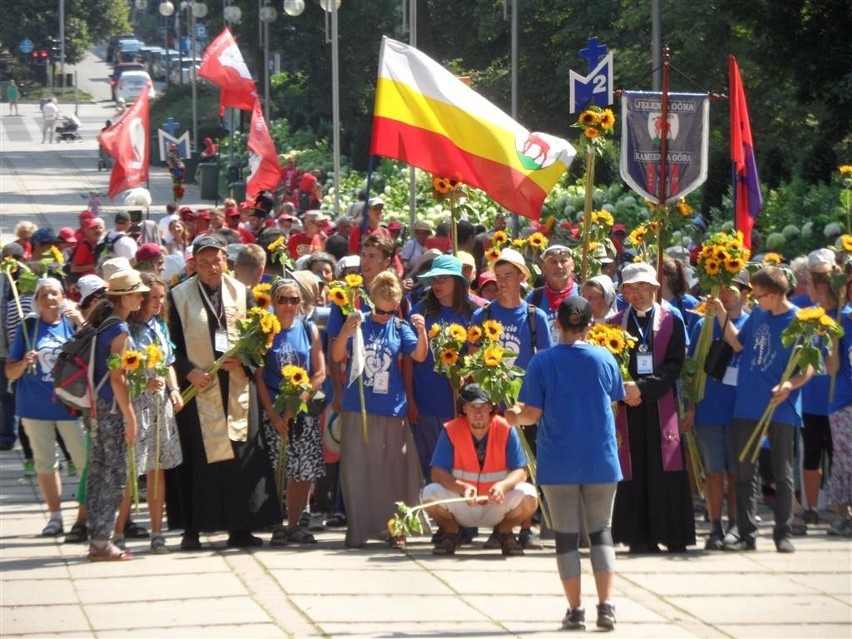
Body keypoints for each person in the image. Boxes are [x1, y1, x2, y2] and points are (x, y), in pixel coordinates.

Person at [507, 297, 628, 631]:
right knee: (601, 532)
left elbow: (531, 415)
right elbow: (616, 396)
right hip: (600, 457)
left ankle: (575, 611)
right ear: (591, 324)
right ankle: (606, 606)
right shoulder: (605, 357)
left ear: (557, 324)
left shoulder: (542, 362)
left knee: (565, 536)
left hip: (558, 458)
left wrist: (514, 416)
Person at [167, 234, 281, 551]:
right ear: (195, 264)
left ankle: (240, 527)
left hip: (236, 387)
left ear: (224, 261)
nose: (210, 267)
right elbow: (169, 344)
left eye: (215, 260)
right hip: (197, 387)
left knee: (239, 460)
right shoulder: (178, 297)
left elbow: (259, 343)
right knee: (196, 461)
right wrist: (188, 369)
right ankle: (192, 528)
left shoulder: (242, 294)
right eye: (203, 262)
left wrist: (243, 360)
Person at [713, 266, 814, 553]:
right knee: (745, 472)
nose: (754, 301)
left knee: (782, 474)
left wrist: (788, 387)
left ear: (773, 295)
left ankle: (783, 533)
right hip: (747, 404)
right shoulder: (758, 314)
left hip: (780, 407)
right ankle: (747, 534)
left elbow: (808, 367)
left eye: (758, 296)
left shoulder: (800, 321)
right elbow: (737, 344)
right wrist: (721, 313)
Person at [331, 270, 428, 548]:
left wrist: (421, 330)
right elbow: (338, 356)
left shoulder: (400, 327)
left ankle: (396, 528)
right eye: (379, 311)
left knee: (394, 473)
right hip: (359, 408)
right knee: (356, 470)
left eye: (390, 311)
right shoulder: (359, 325)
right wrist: (345, 332)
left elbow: (419, 355)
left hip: (392, 409)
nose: (384, 316)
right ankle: (358, 529)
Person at [470, 247, 552, 550]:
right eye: (498, 276)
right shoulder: (483, 315)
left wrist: (532, 401)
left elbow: (544, 360)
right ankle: (499, 526)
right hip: (492, 406)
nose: (502, 282)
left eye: (509, 276)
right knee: (496, 467)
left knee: (526, 464)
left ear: (521, 277)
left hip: (524, 404)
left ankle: (525, 525)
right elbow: (472, 358)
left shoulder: (535, 316)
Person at [610, 262, 695, 554]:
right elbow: (609, 365)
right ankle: (638, 536)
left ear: (655, 288)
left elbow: (675, 364)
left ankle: (672, 534)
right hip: (627, 406)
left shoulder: (672, 319)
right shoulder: (614, 323)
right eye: (630, 288)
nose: (637, 293)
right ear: (623, 291)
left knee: (666, 464)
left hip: (661, 403)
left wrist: (643, 389)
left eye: (642, 286)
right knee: (634, 466)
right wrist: (625, 389)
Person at [5, 278, 88, 538]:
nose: (51, 299)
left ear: (63, 297)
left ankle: (84, 516)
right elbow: (10, 370)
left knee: (85, 461)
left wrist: (82, 323)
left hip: (69, 406)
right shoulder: (28, 328)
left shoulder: (72, 325)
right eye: (45, 295)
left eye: (55, 294)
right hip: (33, 406)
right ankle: (54, 518)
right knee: (45, 463)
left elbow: (93, 354)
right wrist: (23, 363)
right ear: (37, 301)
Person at [109, 273, 184, 554]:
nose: (158, 302)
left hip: (159, 405)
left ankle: (156, 532)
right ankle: (117, 532)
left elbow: (168, 363)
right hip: (135, 405)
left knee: (157, 470)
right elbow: (120, 370)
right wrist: (143, 380)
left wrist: (174, 389)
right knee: (130, 472)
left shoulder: (160, 326)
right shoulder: (127, 329)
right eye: (152, 297)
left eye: (162, 297)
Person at [423, 382, 538, 556]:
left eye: (483, 407)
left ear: (491, 409)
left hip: (497, 504)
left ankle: (504, 531)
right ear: (464, 409)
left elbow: (521, 471)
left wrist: (503, 486)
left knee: (529, 496)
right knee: (429, 494)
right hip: (462, 503)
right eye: (473, 407)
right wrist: (460, 487)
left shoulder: (506, 428)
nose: (478, 413)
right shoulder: (451, 430)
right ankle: (452, 531)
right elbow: (437, 473)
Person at [683, 271, 750, 550]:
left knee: (736, 473)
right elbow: (694, 368)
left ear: (746, 293)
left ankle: (736, 525)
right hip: (709, 407)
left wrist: (723, 315)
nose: (725, 294)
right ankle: (715, 526)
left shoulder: (750, 322)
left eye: (732, 288)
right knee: (713, 472)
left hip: (740, 410)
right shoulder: (702, 325)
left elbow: (740, 346)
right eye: (721, 288)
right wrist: (690, 408)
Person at [256, 279, 326, 546]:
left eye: (294, 300)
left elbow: (319, 372)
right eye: (283, 299)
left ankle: (295, 523)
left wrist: (299, 401)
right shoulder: (265, 331)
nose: (288, 305)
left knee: (301, 471)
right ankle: (277, 523)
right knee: (277, 469)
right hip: (274, 410)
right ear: (274, 301)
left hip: (302, 410)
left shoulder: (308, 329)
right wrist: (274, 414)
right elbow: (260, 377)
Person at [86, 269, 149, 561]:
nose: (142, 297)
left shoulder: (103, 322)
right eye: (138, 293)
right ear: (125, 297)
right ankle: (103, 541)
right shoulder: (120, 331)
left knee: (99, 470)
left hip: (95, 406)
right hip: (111, 408)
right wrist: (130, 417)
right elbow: (117, 378)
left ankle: (97, 538)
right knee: (114, 473)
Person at [406, 255, 477, 476]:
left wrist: (467, 376)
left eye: (443, 279)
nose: (437, 285)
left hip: (459, 404)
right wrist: (409, 397)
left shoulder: (472, 313)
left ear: (458, 281)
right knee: (428, 465)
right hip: (425, 400)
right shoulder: (421, 311)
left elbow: (477, 358)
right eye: (434, 279)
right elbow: (407, 357)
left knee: (459, 465)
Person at [799, 249, 839, 528]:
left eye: (810, 284)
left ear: (821, 285)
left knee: (839, 456)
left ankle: (839, 509)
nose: (806, 289)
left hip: (838, 399)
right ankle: (810, 508)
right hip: (811, 399)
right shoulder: (808, 316)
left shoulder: (843, 315)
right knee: (811, 455)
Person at [827, 271, 852, 536]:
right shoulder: (840, 322)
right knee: (845, 458)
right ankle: (842, 513)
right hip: (844, 399)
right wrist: (834, 338)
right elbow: (830, 367)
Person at [527, 245, 580, 345]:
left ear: (572, 265)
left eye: (563, 261)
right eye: (553, 262)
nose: (559, 266)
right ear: (543, 267)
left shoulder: (583, 295)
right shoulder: (534, 298)